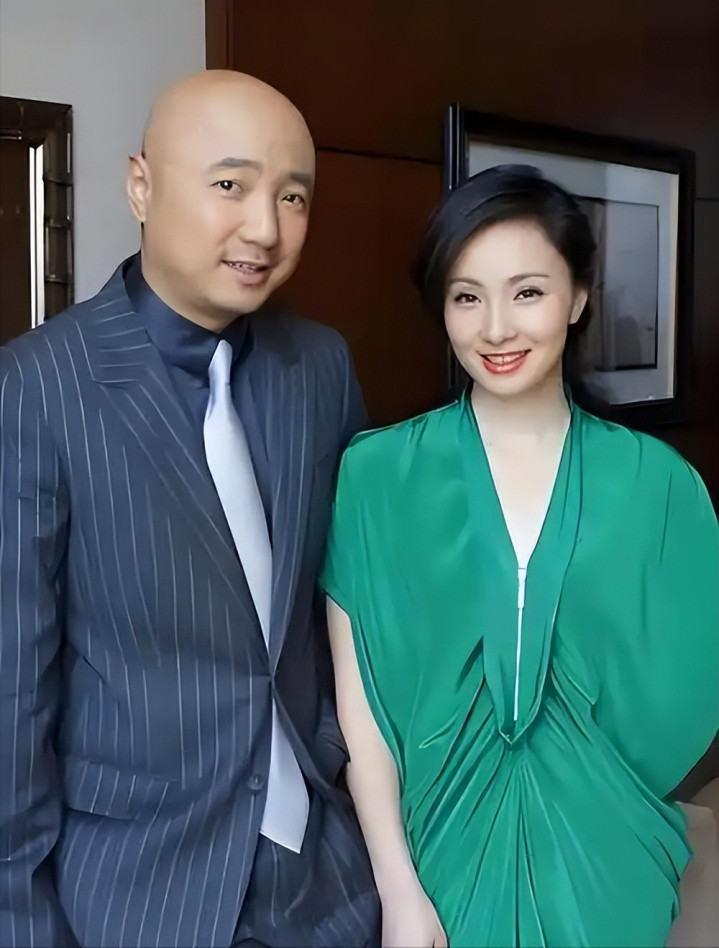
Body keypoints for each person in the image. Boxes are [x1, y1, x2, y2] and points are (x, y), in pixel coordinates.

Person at [0, 70, 379, 948]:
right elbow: (12, 696)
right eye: (230, 185)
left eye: (293, 196)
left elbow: (349, 605)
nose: (266, 228)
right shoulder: (36, 387)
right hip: (138, 893)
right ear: (140, 186)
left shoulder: (319, 366)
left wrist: (334, 761)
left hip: (326, 877)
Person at [322, 165, 718, 947]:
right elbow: (360, 709)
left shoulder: (657, 485)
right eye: (466, 297)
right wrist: (397, 890)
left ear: (577, 297)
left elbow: (684, 687)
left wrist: (606, 787)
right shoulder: (377, 476)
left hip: (607, 869)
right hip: (435, 869)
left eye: (526, 292)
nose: (495, 328)